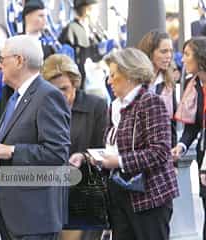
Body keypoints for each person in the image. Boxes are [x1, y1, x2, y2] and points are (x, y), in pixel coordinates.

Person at [0, 35, 71, 240]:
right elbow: (13, 140)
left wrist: (11, 151)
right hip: (11, 213)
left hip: (34, 218)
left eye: (3, 59)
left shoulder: (47, 96)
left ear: (19, 60)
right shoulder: (15, 97)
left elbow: (57, 152)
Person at [91, 48, 178, 240]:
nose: (109, 80)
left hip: (149, 197)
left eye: (113, 75)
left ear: (130, 74)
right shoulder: (114, 106)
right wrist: (101, 158)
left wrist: (118, 161)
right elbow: (115, 145)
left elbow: (160, 152)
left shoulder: (151, 102)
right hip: (119, 194)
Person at [42, 54, 108, 240]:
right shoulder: (42, 108)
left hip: (84, 190)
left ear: (75, 84)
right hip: (50, 192)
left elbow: (103, 147)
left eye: (64, 88)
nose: (60, 94)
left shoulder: (96, 106)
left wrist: (83, 157)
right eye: (53, 89)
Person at [171, 36, 206, 240]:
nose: (182, 59)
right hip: (203, 157)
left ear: (201, 57)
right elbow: (193, 126)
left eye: (187, 54)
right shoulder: (193, 85)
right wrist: (182, 146)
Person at [137, 30, 177, 147]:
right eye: (164, 51)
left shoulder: (169, 82)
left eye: (171, 51)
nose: (169, 56)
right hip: (138, 149)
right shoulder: (135, 81)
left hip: (162, 148)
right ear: (150, 53)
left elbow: (171, 123)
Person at [59, 0, 103, 88]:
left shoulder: (92, 30)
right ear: (87, 10)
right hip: (79, 85)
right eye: (96, 10)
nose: (98, 14)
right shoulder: (71, 29)